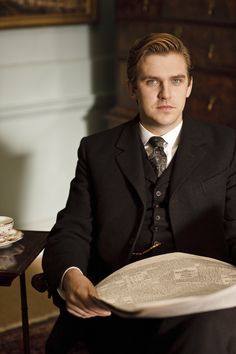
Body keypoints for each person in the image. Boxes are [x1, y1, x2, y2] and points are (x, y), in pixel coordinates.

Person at [42, 32, 236, 354]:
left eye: (176, 81)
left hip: (199, 299)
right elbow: (72, 228)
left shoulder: (225, 145)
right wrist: (70, 276)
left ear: (189, 85)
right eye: (151, 82)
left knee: (212, 326)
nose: (165, 94)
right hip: (118, 304)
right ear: (132, 86)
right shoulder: (97, 150)